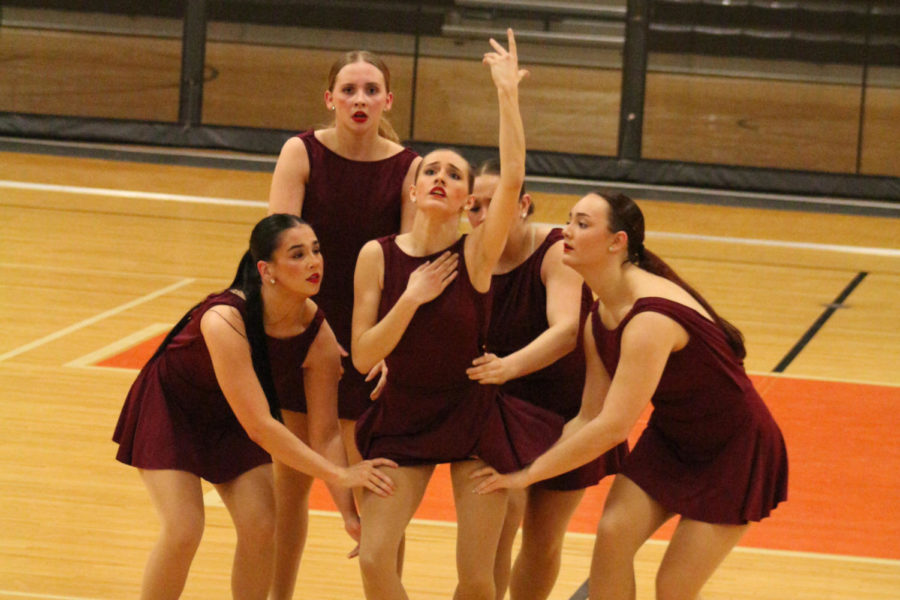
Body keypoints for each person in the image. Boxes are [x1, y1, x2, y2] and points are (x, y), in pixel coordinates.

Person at [473, 191, 789, 600]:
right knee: (612, 535)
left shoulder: (649, 319)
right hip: (674, 439)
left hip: (736, 450)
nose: (566, 230)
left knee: (673, 587)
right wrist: (521, 463)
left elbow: (612, 427)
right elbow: (588, 417)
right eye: (569, 220)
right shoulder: (599, 318)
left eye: (583, 224)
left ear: (617, 241)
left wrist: (528, 475)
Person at [351, 29, 563, 600]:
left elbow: (513, 175)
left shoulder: (474, 252)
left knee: (476, 577)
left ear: (469, 202)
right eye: (432, 171)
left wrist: (507, 96)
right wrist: (412, 297)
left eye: (455, 175)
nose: (441, 178)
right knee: (374, 559)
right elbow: (365, 354)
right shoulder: (378, 256)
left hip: (472, 420)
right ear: (414, 189)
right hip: (403, 419)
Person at [113, 214, 396, 600]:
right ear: (267, 270)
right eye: (297, 254)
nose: (314, 262)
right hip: (175, 410)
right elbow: (261, 427)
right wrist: (341, 474)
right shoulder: (224, 319)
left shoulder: (319, 336)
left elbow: (326, 432)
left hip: (234, 417)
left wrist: (349, 512)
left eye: (316, 250)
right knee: (184, 529)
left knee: (264, 526)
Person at [266, 49, 421, 598]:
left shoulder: (408, 168)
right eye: (349, 90)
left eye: (370, 90)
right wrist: (299, 331)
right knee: (289, 487)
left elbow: (407, 265)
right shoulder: (301, 152)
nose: (360, 99)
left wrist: (387, 350)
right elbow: (278, 246)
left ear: (387, 100)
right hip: (299, 330)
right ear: (330, 98)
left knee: (379, 489)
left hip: (369, 343)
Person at [464, 160, 627, 600]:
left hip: (566, 407)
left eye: (493, 203)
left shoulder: (556, 252)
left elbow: (566, 331)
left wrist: (505, 367)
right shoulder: (467, 255)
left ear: (522, 205)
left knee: (544, 536)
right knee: (499, 520)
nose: (482, 215)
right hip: (501, 410)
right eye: (473, 207)